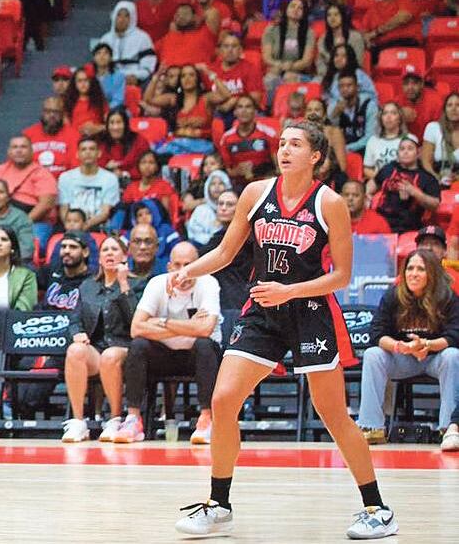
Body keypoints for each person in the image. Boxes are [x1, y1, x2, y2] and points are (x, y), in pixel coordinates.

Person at [170, 121, 397, 539]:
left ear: (315, 156)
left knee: (332, 415)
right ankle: (219, 504)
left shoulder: (329, 203)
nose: (284, 149)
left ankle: (377, 508)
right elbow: (225, 251)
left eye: (295, 144)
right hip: (263, 309)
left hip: (310, 310)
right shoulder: (256, 194)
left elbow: (342, 276)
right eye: (281, 143)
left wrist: (290, 290)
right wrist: (189, 271)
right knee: (222, 400)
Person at [115, 242, 222, 444]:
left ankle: (207, 419)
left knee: (204, 344)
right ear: (169, 267)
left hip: (198, 357)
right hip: (164, 355)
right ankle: (133, 419)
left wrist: (162, 322)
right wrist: (188, 326)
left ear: (198, 265)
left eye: (188, 265)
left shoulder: (208, 283)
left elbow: (205, 329)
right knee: (138, 345)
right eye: (178, 265)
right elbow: (136, 328)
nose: (183, 271)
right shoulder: (157, 283)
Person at [356, 249, 459, 450]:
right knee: (372, 355)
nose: (413, 273)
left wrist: (426, 345)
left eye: (421, 269)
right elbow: (376, 334)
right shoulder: (393, 296)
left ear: (432, 273)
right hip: (402, 357)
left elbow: (455, 335)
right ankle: (371, 427)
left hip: (434, 359)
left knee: (453, 356)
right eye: (410, 268)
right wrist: (399, 346)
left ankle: (449, 429)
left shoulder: (447, 297)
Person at [61, 234, 136, 442]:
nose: (109, 253)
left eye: (114, 249)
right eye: (105, 250)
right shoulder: (87, 286)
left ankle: (114, 419)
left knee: (110, 356)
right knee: (75, 351)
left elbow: (135, 321)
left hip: (126, 348)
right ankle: (78, 422)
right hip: (96, 348)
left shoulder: (137, 283)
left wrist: (123, 284)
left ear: (124, 256)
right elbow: (74, 318)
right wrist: (77, 333)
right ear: (100, 258)